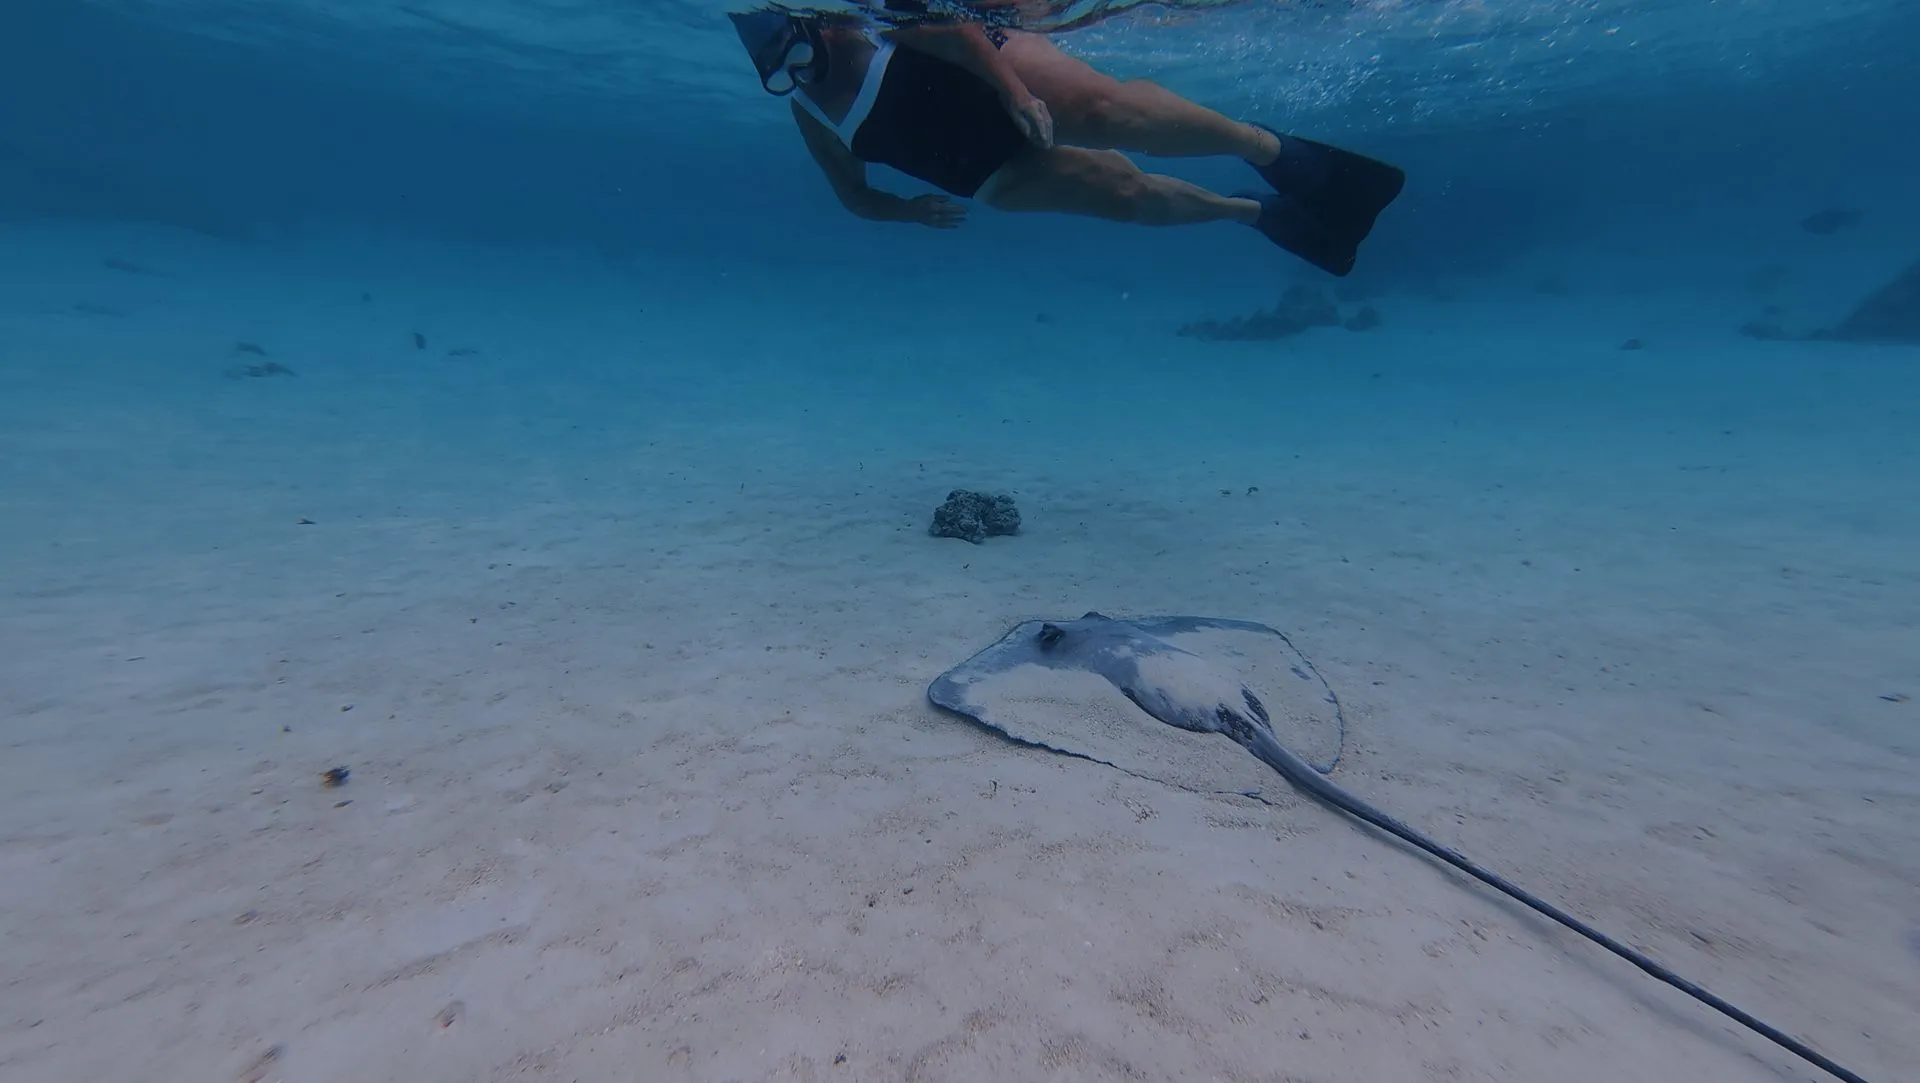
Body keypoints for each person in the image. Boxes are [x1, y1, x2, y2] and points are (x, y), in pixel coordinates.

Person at [727, 4, 1406, 276]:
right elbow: (853, 195)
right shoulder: (810, 114)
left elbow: (959, 33)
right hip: (980, 169)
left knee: (1106, 112)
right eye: (782, 77)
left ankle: (1274, 151)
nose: (802, 76)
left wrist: (1018, 93)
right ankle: (1260, 212)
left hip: (989, 82)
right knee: (1124, 194)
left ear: (806, 27)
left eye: (798, 55)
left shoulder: (859, 23)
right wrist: (907, 210)